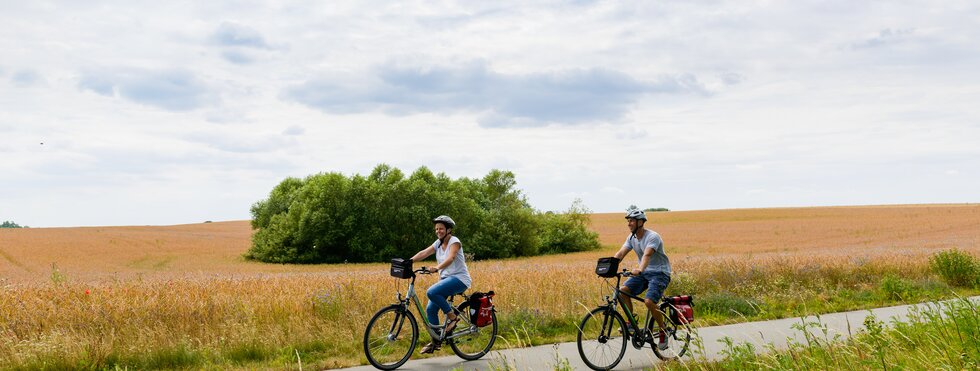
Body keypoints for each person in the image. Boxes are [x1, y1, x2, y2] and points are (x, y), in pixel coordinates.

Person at [409, 215, 472, 354]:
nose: (438, 231)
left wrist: (437, 268)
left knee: (431, 292)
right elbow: (424, 252)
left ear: (448, 230)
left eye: (441, 228)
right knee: (431, 310)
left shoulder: (455, 241)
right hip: (445, 280)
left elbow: (451, 258)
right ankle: (436, 340)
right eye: (436, 229)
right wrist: (409, 261)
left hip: (459, 279)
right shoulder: (438, 243)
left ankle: (453, 318)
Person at [612, 205, 672, 350]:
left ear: (640, 222)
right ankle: (631, 323)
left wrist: (639, 269)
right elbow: (620, 254)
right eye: (628, 221)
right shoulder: (631, 238)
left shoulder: (652, 237)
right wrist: (609, 267)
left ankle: (663, 330)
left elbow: (647, 254)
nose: (629, 224)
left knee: (649, 301)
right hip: (644, 273)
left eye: (632, 221)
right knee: (623, 291)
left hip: (660, 273)